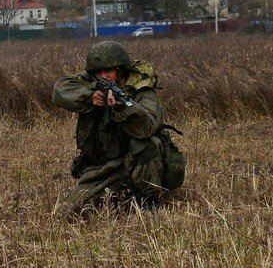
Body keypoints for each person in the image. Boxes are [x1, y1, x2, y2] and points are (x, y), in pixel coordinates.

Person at [52, 40, 184, 215]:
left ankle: (148, 200)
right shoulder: (91, 83)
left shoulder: (141, 91)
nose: (103, 76)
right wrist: (89, 98)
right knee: (69, 212)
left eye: (108, 71)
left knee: (149, 144)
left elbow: (148, 126)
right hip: (104, 168)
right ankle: (121, 195)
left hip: (133, 162)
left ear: (120, 70)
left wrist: (122, 107)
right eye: (98, 72)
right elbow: (60, 90)